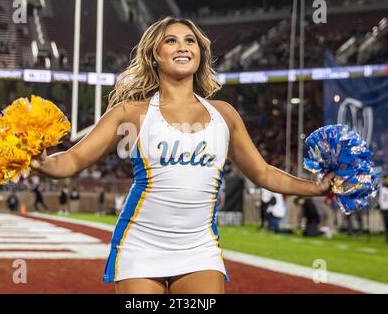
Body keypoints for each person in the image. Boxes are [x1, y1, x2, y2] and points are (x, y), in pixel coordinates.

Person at [30, 17, 334, 294]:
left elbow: (264, 173)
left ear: (200, 53)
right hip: (141, 244)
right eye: (171, 40)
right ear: (154, 54)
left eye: (190, 41)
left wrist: (316, 187)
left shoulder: (224, 115)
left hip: (199, 248)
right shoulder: (131, 113)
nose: (183, 46)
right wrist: (42, 162)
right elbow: (73, 160)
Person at [378, 175, 388, 243]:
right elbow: (380, 197)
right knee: (386, 224)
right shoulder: (382, 187)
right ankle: (387, 238)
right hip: (384, 208)